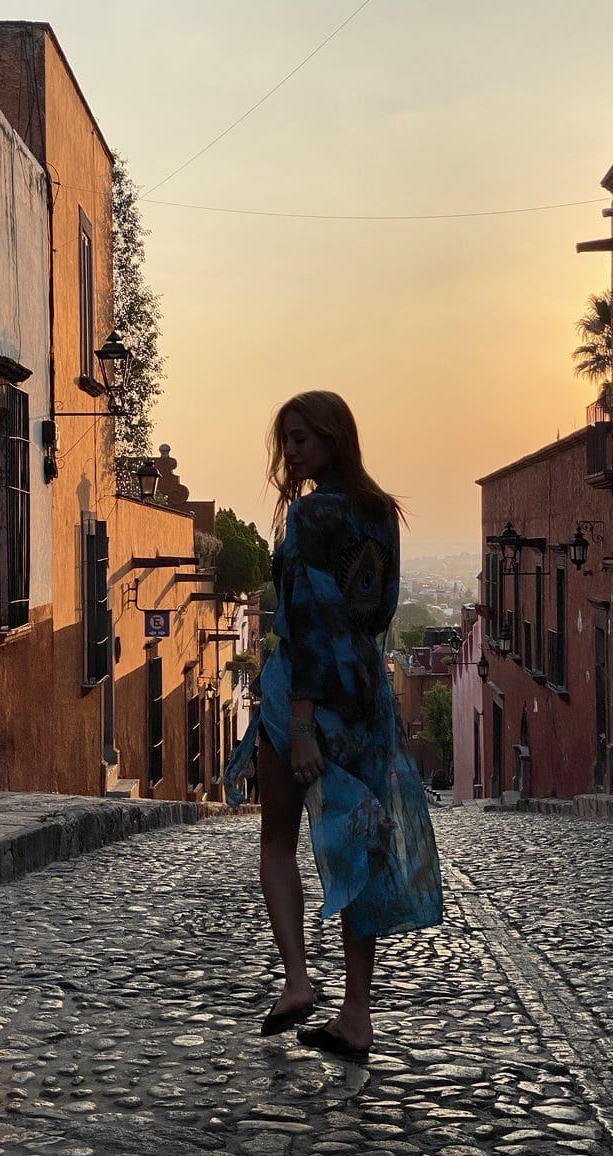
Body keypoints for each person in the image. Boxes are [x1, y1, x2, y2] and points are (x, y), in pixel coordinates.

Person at [224, 390, 443, 1062]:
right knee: (358, 851)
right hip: (364, 693)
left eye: (304, 438)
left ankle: (297, 981)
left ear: (335, 441)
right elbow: (376, 609)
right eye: (287, 438)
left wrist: (299, 720)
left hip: (306, 693)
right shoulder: (382, 510)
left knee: (278, 840)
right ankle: (355, 1013)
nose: (292, 450)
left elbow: (310, 619)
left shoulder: (313, 514)